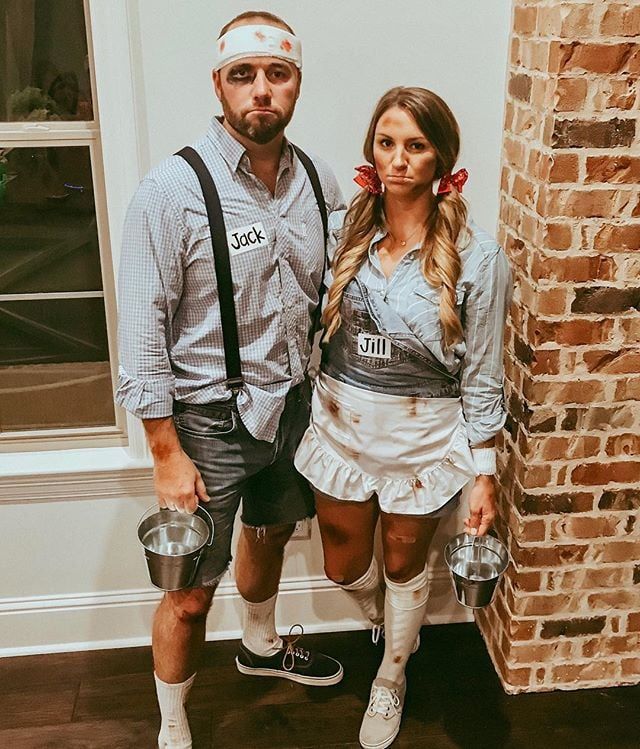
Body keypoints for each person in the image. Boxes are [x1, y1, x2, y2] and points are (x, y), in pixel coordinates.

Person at [116, 11, 345, 749]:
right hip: (205, 419)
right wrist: (164, 452)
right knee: (187, 595)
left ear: (296, 83)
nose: (261, 92)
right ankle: (172, 724)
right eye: (243, 75)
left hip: (292, 405)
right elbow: (143, 327)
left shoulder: (318, 179)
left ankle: (260, 644)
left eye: (277, 74)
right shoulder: (170, 190)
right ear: (219, 84)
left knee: (273, 528)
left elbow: (337, 287)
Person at [294, 86, 512, 749]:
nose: (398, 158)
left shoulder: (478, 257)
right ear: (371, 150)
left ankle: (391, 674)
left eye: (416, 146)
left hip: (424, 440)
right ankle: (393, 624)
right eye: (386, 143)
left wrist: (484, 472)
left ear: (441, 158)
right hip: (338, 427)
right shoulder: (335, 231)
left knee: (403, 562)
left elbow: (481, 370)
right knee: (342, 564)